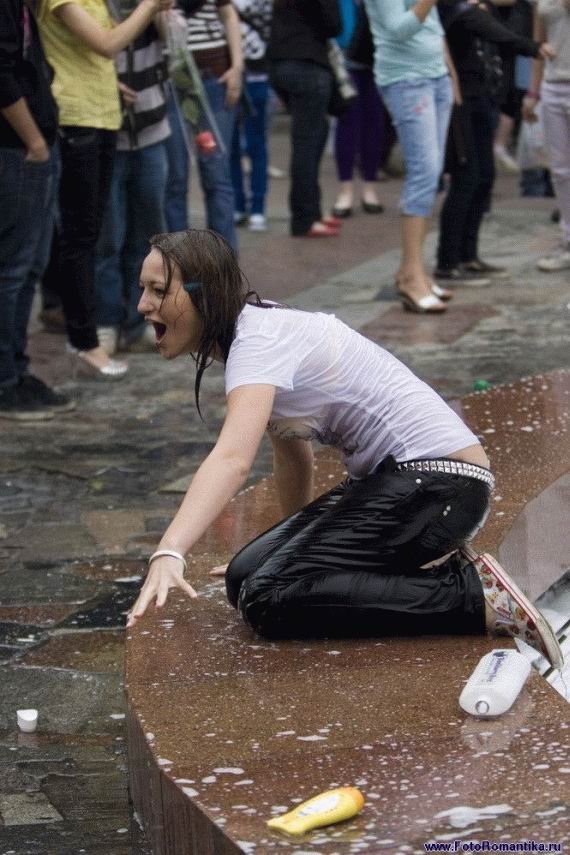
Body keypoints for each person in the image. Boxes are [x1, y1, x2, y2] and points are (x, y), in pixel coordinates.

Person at [126, 228, 563, 672]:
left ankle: (473, 597)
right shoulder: (259, 332)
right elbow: (292, 455)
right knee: (245, 578)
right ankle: (444, 586)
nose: (143, 305)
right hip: (413, 486)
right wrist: (288, 552)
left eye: (158, 291)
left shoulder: (258, 344)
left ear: (207, 294)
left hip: (441, 487)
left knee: (267, 598)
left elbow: (233, 459)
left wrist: (170, 549)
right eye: (143, 289)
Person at [38, 0, 171, 380]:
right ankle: (87, 338)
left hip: (103, 116)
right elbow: (107, 44)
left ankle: (113, 329)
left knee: (97, 231)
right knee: (86, 238)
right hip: (76, 118)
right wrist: (148, 6)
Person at [435, 0, 551, 285]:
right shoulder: (456, 8)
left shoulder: (483, 8)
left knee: (484, 177)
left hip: (484, 101)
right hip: (461, 103)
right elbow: (494, 32)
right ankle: (447, 262)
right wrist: (536, 48)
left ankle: (468, 257)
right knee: (466, 178)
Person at [0, 0, 75, 420]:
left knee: (28, 267)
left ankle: (15, 368)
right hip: (17, 151)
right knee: (13, 269)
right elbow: (3, 75)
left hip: (30, 148)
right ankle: (5, 380)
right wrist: (34, 142)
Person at [363, 0, 459, 312]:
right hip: (406, 79)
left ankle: (414, 271)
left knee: (430, 176)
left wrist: (449, 74)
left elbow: (434, 26)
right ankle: (411, 277)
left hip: (435, 76)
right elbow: (398, 29)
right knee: (423, 173)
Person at [94, 22, 171, 356]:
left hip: (152, 130)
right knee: (107, 238)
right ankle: (107, 324)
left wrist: (155, 10)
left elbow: (179, 42)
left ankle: (140, 323)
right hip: (104, 133)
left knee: (150, 238)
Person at [166, 0, 243, 250]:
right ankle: (178, 266)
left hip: (214, 78)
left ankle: (223, 269)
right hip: (170, 81)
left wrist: (237, 67)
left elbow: (228, 13)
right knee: (175, 178)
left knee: (217, 175)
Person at [267, 0, 344, 238]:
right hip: (308, 62)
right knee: (308, 143)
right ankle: (304, 219)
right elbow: (334, 25)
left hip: (280, 61)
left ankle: (313, 212)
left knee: (312, 136)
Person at [523, 0, 570, 272]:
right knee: (561, 171)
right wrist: (532, 92)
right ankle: (567, 240)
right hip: (553, 86)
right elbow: (537, 44)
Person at [332, 0, 387, 218]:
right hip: (345, 58)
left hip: (377, 59)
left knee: (374, 123)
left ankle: (369, 187)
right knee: (347, 123)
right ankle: (345, 189)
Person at [230, 0, 273, 233]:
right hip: (228, 74)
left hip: (257, 75)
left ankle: (257, 207)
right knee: (231, 144)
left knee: (256, 143)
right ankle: (239, 205)